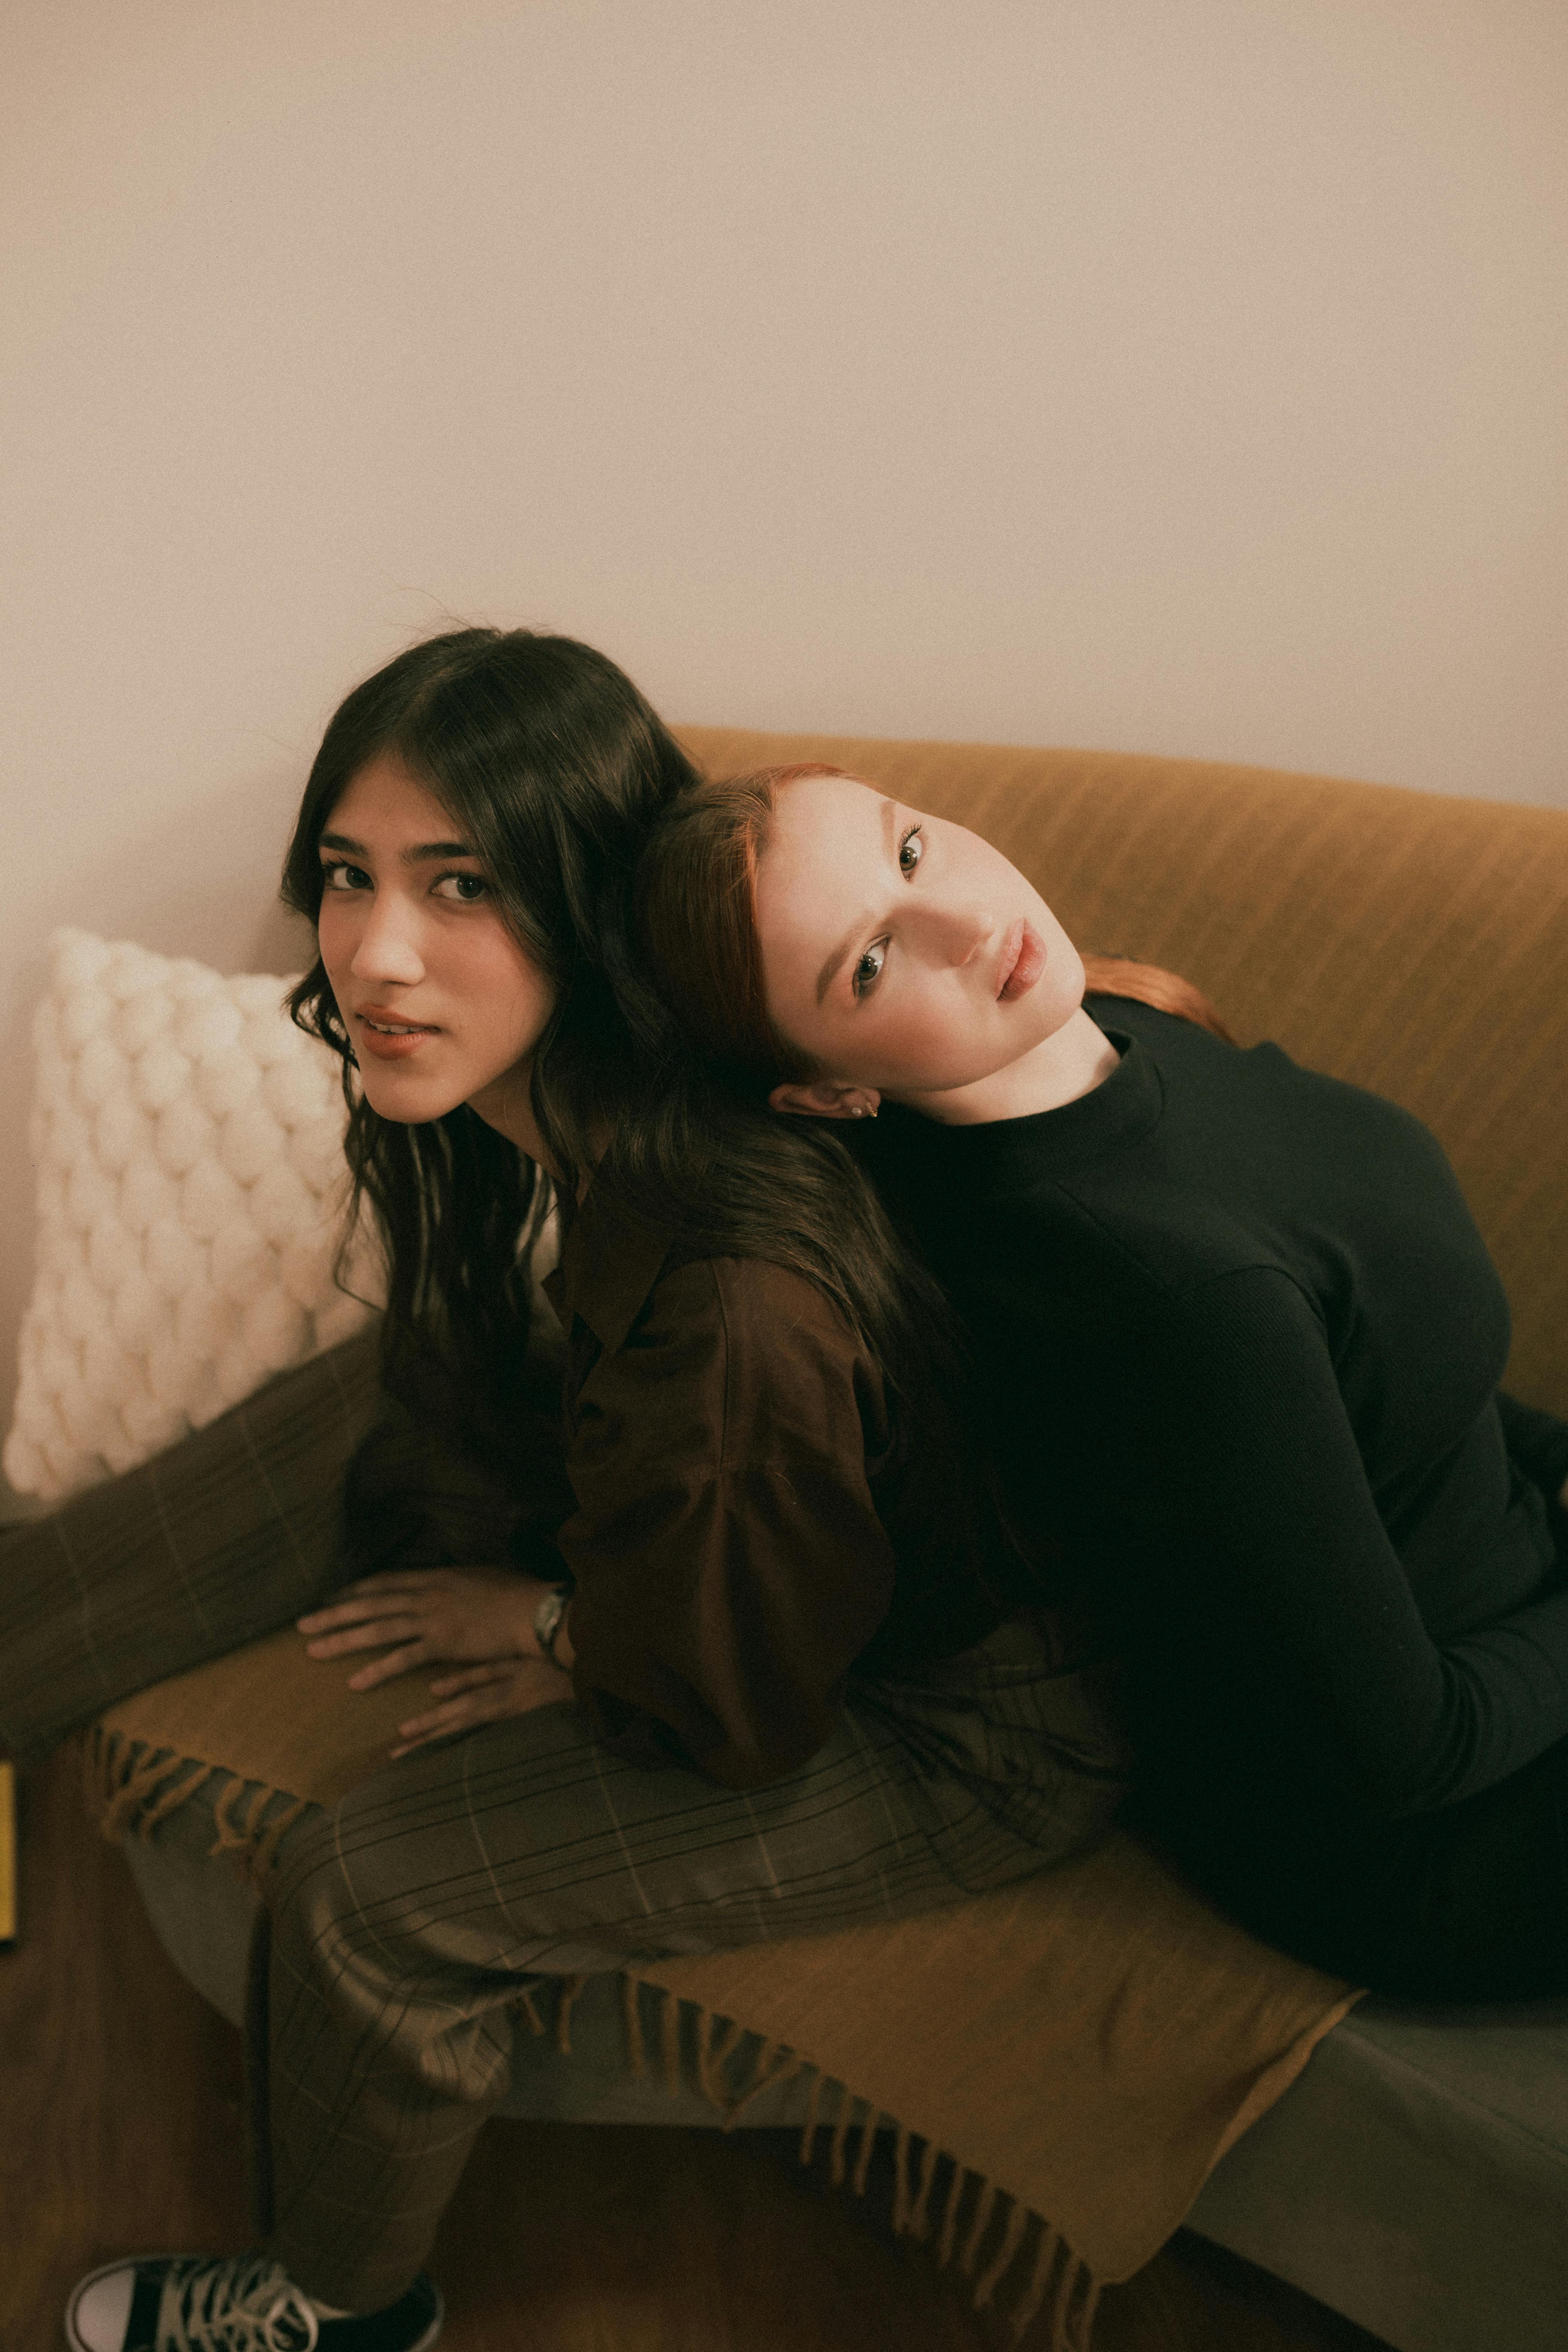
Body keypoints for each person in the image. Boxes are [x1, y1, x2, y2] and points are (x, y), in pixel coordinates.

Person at [47, 640, 1129, 2352]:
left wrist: (563, 1622)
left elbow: (737, 1701)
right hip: (773, 1541)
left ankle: (330, 2306)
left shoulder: (734, 1300)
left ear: (590, 901)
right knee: (387, 1388)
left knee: (364, 1892)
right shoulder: (597, 1105)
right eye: (350, 878)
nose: (374, 955)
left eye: (460, 886)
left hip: (952, 1721)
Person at [634, 760, 1568, 2006]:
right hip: (1459, 1823)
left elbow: (1386, 1368)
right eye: (869, 964)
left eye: (909, 852)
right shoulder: (1155, 1291)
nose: (968, 924)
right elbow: (1404, 1750)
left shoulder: (1126, 1029)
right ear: (828, 1092)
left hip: (1521, 1600)